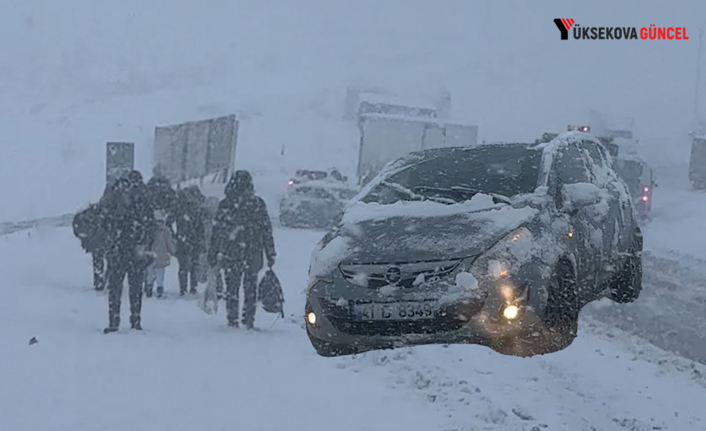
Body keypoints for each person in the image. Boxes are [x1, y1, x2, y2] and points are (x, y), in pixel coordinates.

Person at [209, 170, 276, 329]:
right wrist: (270, 252)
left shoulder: (226, 204)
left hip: (231, 252)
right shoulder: (257, 204)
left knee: (232, 286)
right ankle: (249, 318)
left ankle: (232, 317)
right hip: (252, 252)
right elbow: (266, 230)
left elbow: (218, 231)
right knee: (250, 287)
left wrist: (214, 251)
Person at [102, 171, 156, 333]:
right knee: (136, 287)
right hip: (137, 250)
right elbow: (151, 226)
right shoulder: (144, 200)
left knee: (115, 288)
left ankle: (114, 321)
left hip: (118, 249)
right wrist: (147, 247)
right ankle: (135, 320)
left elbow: (106, 221)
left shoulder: (117, 197)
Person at [71, 189, 109, 291]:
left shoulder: (91, 213)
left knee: (98, 260)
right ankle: (103, 280)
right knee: (107, 259)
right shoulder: (104, 212)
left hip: (96, 241)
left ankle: (99, 281)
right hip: (102, 239)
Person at [175, 185, 206, 296]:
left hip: (183, 239)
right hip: (192, 239)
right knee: (193, 264)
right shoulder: (196, 207)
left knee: (184, 265)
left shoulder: (180, 205)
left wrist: (177, 235)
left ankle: (184, 289)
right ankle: (192, 288)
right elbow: (201, 226)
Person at [145, 210, 176, 299]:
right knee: (160, 275)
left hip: (150, 254)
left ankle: (149, 289)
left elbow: (146, 242)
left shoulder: (149, 229)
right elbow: (168, 242)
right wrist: (172, 251)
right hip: (161, 255)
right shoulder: (165, 230)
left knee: (149, 274)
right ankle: (159, 289)